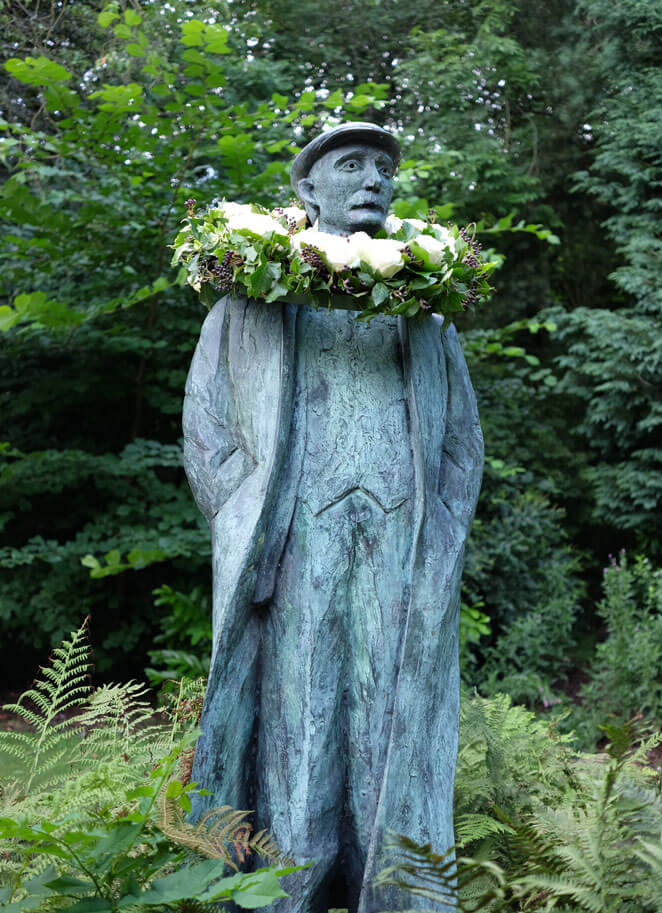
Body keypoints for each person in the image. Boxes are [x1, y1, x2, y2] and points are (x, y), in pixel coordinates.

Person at [183, 122, 484, 913]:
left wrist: (438, 544)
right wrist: (250, 531)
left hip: (400, 545)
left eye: (383, 168)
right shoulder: (250, 302)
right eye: (351, 165)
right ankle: (290, 890)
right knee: (303, 724)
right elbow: (208, 431)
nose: (373, 179)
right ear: (307, 189)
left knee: (391, 719)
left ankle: (397, 891)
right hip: (296, 544)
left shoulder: (428, 311)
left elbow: (461, 444)